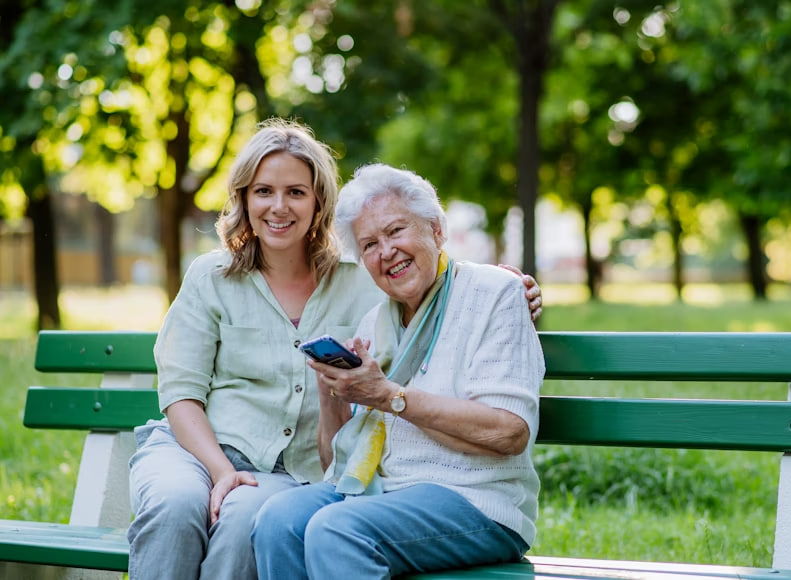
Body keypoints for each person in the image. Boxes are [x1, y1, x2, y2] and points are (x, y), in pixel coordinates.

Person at [126, 120, 543, 580]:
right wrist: (227, 467)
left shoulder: (364, 279)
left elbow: (438, 276)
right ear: (243, 198)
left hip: (322, 476)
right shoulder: (215, 276)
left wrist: (507, 283)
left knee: (253, 519)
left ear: (318, 200)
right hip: (200, 449)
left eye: (295, 192)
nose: (279, 206)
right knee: (178, 508)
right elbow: (181, 391)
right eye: (263, 191)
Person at [251, 163, 545, 579]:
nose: (386, 251)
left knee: (337, 529)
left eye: (395, 231)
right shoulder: (375, 323)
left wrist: (388, 395)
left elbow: (509, 432)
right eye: (370, 244)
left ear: (436, 230)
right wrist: (332, 389)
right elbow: (337, 465)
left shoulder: (495, 293)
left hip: (476, 501)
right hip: (384, 495)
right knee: (278, 520)